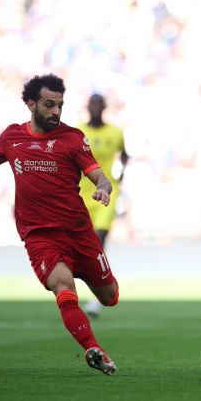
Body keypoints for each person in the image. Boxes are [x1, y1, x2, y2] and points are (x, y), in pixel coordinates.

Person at [0, 74, 120, 376]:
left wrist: (103, 189)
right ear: (31, 104)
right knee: (63, 286)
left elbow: (99, 175)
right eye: (49, 104)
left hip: (78, 231)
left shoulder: (73, 138)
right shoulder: (13, 137)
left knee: (110, 297)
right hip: (39, 234)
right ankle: (93, 349)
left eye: (60, 105)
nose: (56, 111)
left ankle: (90, 295)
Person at [78, 93, 128, 318]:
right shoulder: (78, 132)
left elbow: (125, 155)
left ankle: (96, 296)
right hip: (82, 193)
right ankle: (85, 286)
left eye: (100, 104)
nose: (96, 108)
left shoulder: (115, 132)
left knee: (98, 240)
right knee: (81, 243)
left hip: (107, 192)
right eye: (93, 104)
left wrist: (121, 176)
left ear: (104, 107)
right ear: (88, 107)